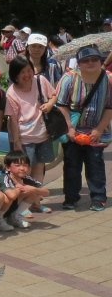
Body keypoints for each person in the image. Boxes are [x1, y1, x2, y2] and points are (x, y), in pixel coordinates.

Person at [55, 46, 112, 211]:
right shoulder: (69, 78)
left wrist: (99, 129)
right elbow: (61, 105)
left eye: (94, 59)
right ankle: (71, 198)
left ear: (101, 61)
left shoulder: (108, 80)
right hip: (73, 129)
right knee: (72, 165)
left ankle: (98, 198)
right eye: (85, 60)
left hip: (96, 130)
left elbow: (109, 107)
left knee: (95, 164)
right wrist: (69, 127)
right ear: (79, 63)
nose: (90, 63)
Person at [5, 56, 55, 188]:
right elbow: (13, 119)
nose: (27, 75)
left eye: (29, 70)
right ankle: (26, 198)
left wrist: (50, 104)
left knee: (39, 166)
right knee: (24, 170)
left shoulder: (40, 80)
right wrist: (17, 142)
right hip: (25, 138)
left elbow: (54, 95)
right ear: (15, 75)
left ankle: (36, 197)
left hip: (43, 134)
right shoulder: (11, 93)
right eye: (22, 72)